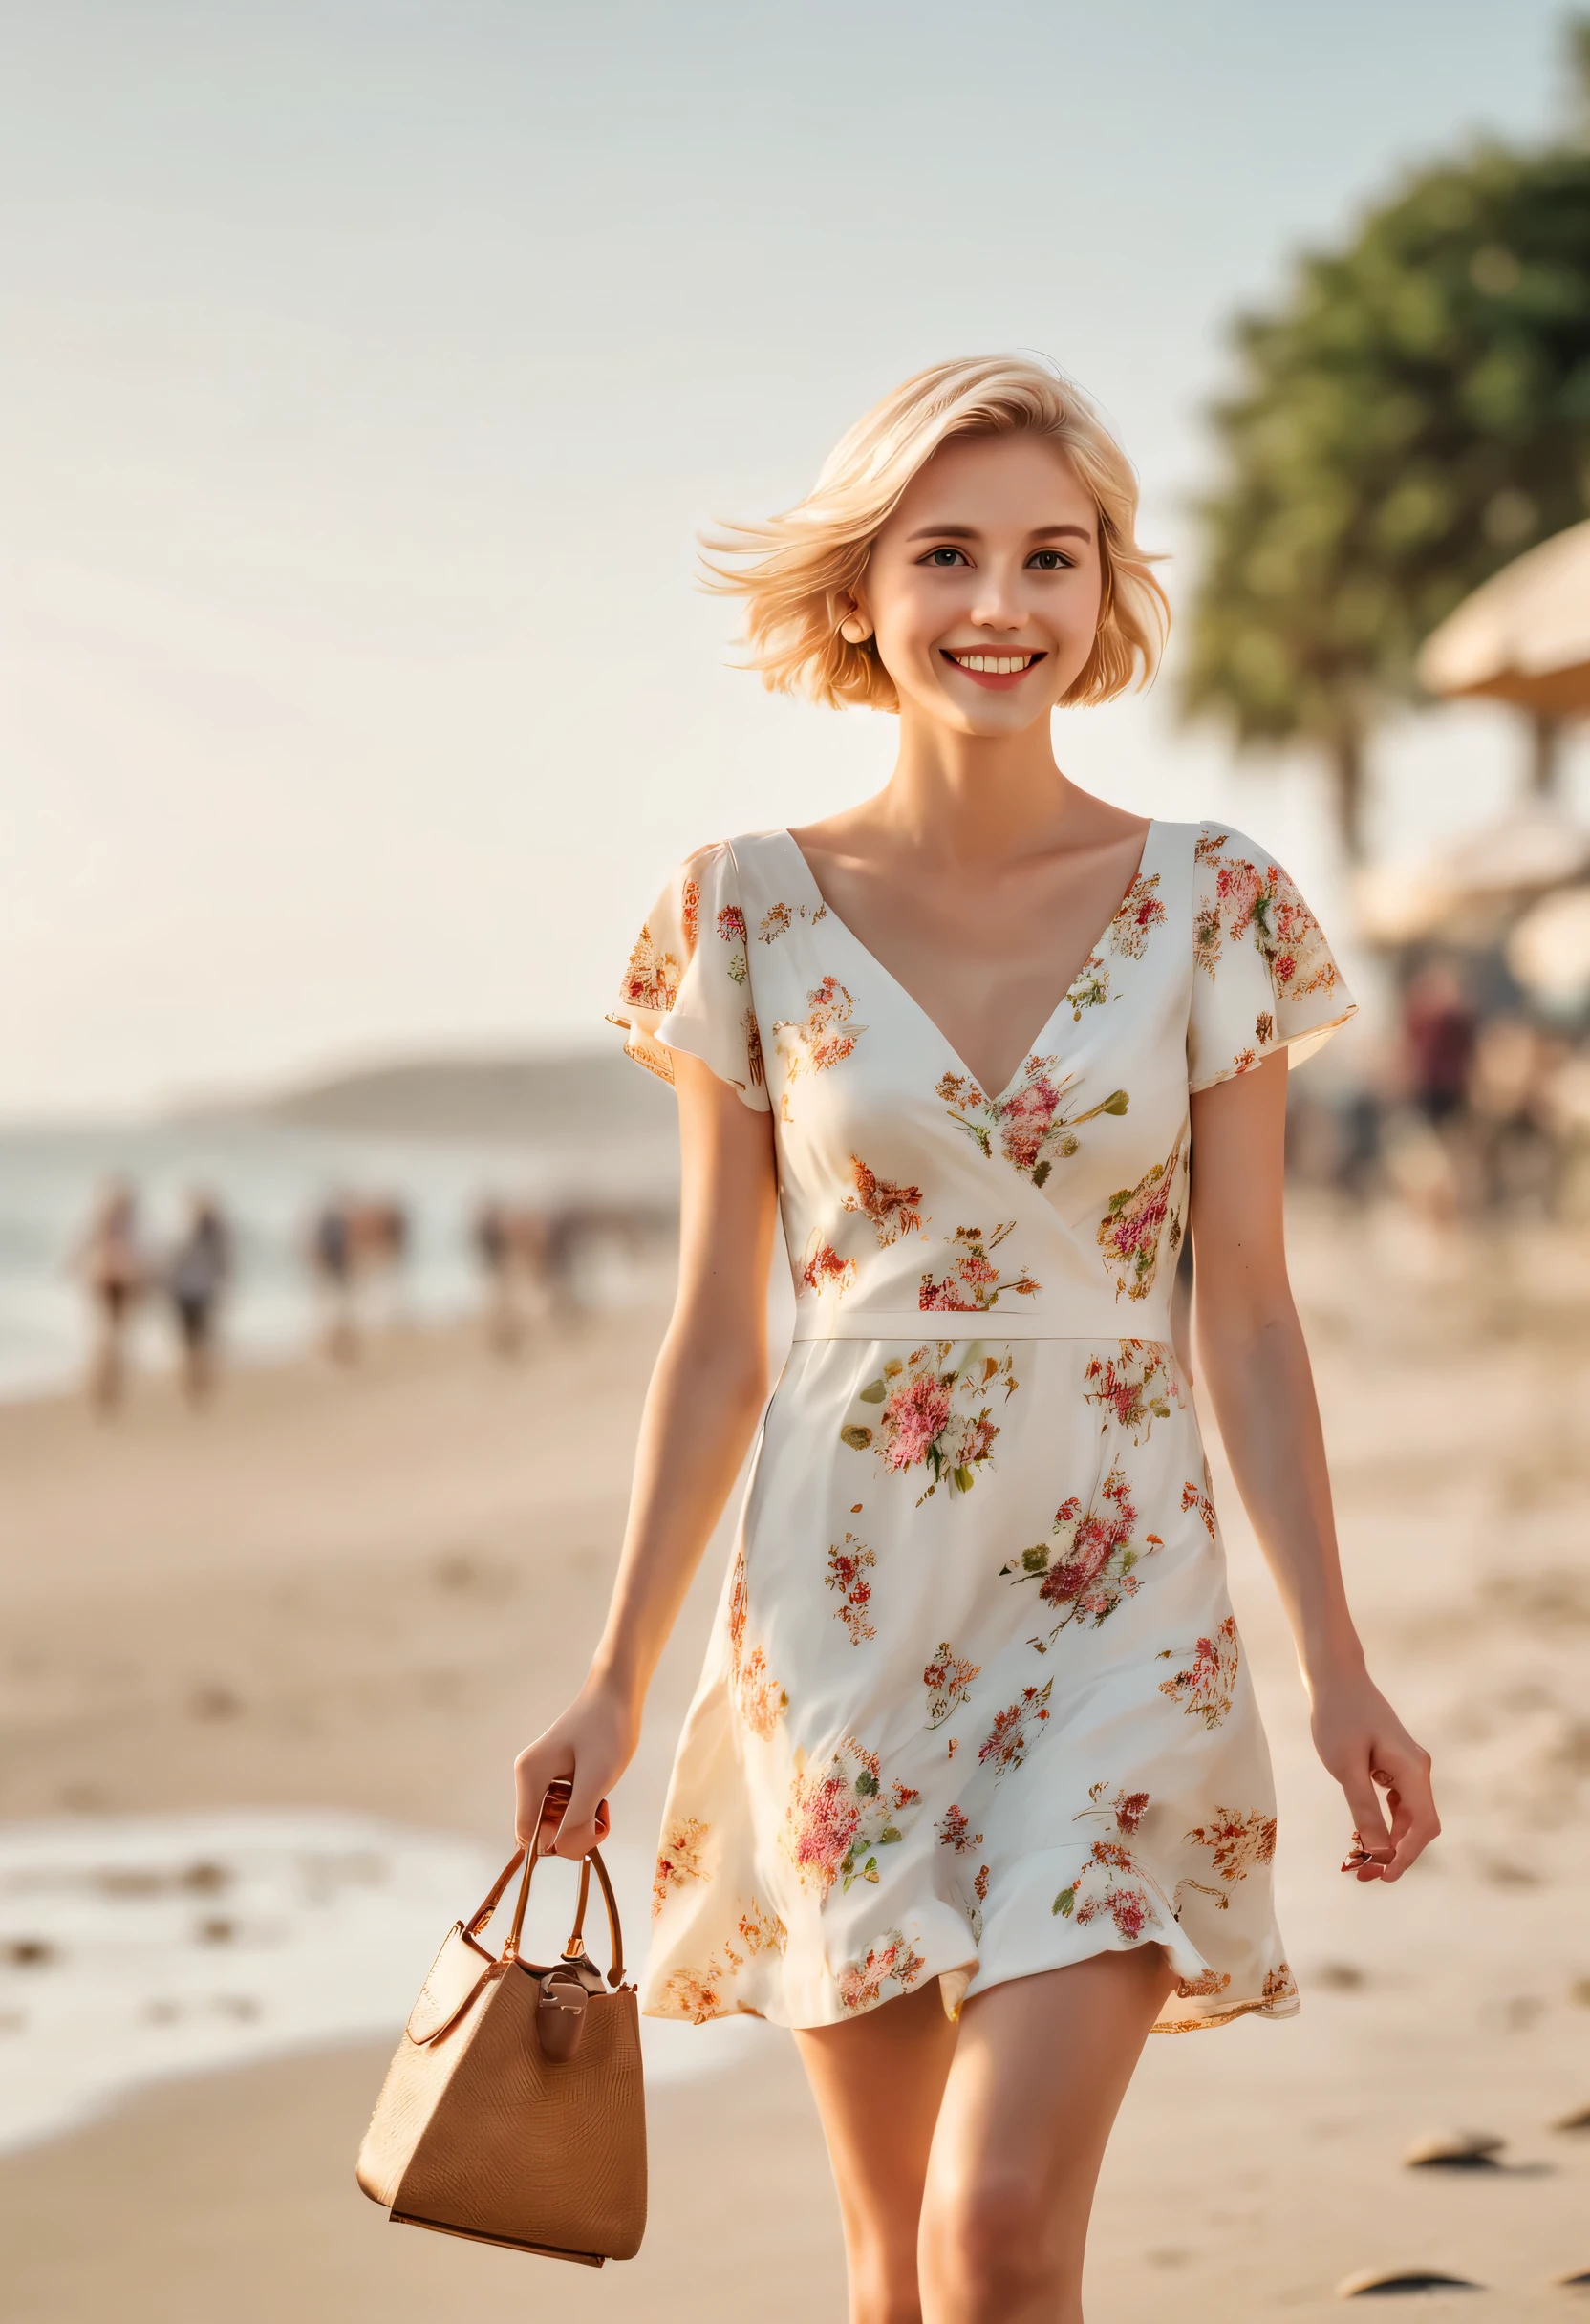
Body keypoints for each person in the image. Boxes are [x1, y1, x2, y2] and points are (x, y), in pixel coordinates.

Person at [512, 355, 1439, 2324]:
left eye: (1051, 554)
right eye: (947, 554)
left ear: (1107, 597)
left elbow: (1250, 1321)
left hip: (1122, 1595)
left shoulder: (1215, 904)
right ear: (860, 593)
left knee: (997, 2232)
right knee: (889, 2271)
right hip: (840, 1609)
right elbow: (712, 1337)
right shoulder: (743, 911)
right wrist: (610, 1680)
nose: (999, 602)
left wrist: (1339, 1662)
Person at [72, 1178, 145, 1414]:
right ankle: (105, 1384)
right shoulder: (113, 1224)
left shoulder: (119, 1224)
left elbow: (81, 1249)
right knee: (111, 1337)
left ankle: (107, 1385)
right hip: (109, 1282)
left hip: (118, 1282)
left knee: (112, 1337)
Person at [163, 1191, 231, 1405]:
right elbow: (169, 1264)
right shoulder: (184, 1233)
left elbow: (223, 1264)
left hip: (201, 1292)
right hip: (185, 1292)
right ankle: (193, 1385)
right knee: (192, 1342)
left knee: (200, 1341)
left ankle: (199, 1385)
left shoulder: (213, 1234)